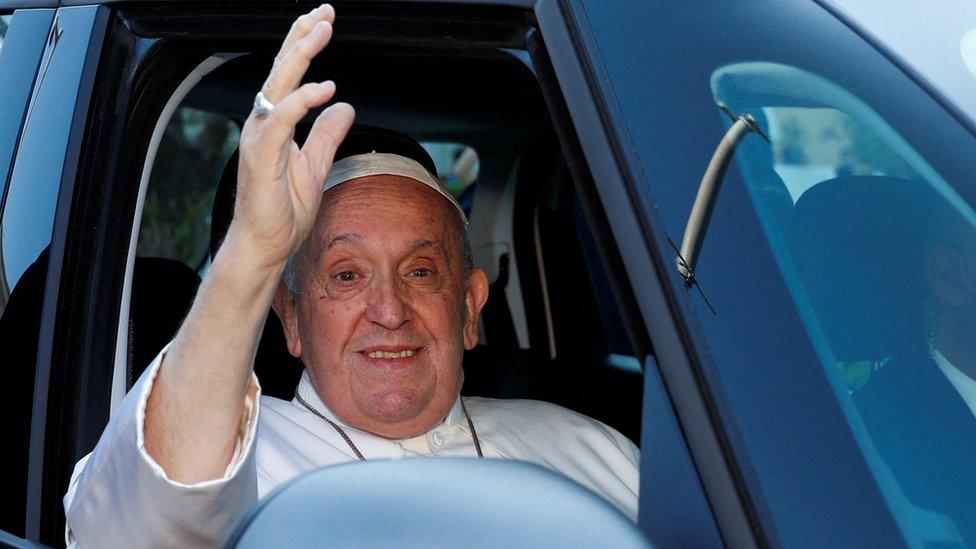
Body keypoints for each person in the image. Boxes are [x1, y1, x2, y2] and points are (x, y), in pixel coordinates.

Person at [62, 5, 639, 546]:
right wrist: (254, 253)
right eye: (345, 275)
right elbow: (135, 528)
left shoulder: (594, 453)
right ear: (291, 317)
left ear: (469, 307)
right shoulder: (236, 459)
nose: (389, 310)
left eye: (419, 270)